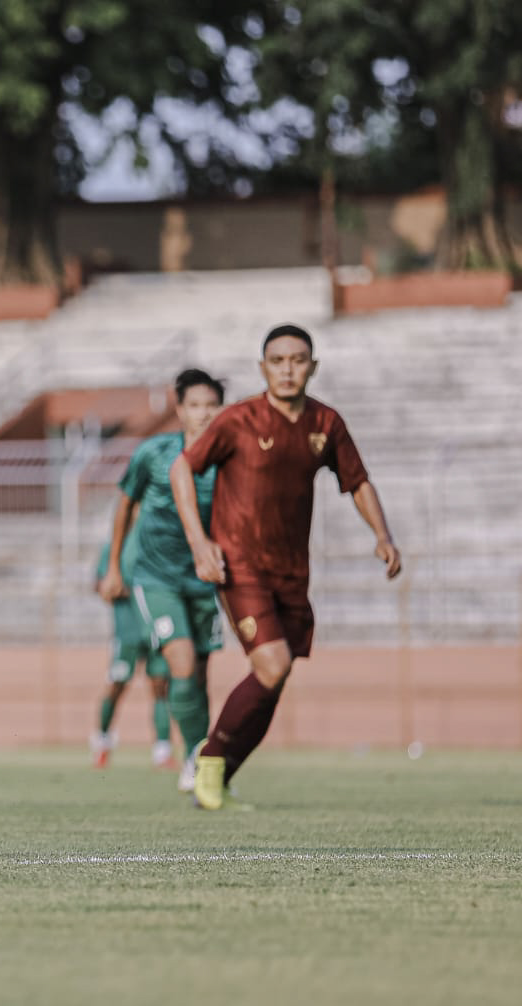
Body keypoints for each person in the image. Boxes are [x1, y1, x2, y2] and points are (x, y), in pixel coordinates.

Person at [170, 325, 400, 811]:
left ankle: (220, 776)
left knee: (275, 676)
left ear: (312, 366)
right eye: (278, 360)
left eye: (298, 360)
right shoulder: (239, 420)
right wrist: (200, 541)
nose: (288, 369)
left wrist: (382, 535)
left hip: (292, 572)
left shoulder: (325, 423)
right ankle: (207, 759)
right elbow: (182, 468)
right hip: (240, 565)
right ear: (263, 368)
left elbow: (356, 481)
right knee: (271, 665)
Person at [99, 368, 226, 790]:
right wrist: (115, 564)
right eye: (195, 405)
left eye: (211, 405)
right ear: (180, 409)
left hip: (206, 581)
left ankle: (203, 761)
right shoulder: (154, 454)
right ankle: (192, 758)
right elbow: (123, 506)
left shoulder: (228, 461)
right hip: (155, 579)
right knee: (182, 664)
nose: (203, 414)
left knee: (201, 675)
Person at [90, 512, 171, 770]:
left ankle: (163, 751)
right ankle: (102, 742)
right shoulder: (116, 545)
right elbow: (99, 584)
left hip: (156, 627)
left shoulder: (157, 544)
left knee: (160, 686)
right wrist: (113, 587)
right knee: (117, 684)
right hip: (127, 631)